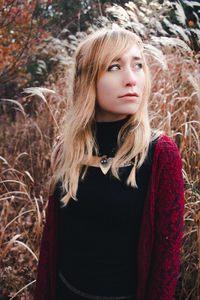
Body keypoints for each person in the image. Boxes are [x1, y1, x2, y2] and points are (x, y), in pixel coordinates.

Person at [33, 28, 184, 300]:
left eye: (138, 65)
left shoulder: (161, 154)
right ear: (87, 79)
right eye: (114, 66)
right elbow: (52, 243)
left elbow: (167, 262)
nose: (131, 79)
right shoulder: (65, 148)